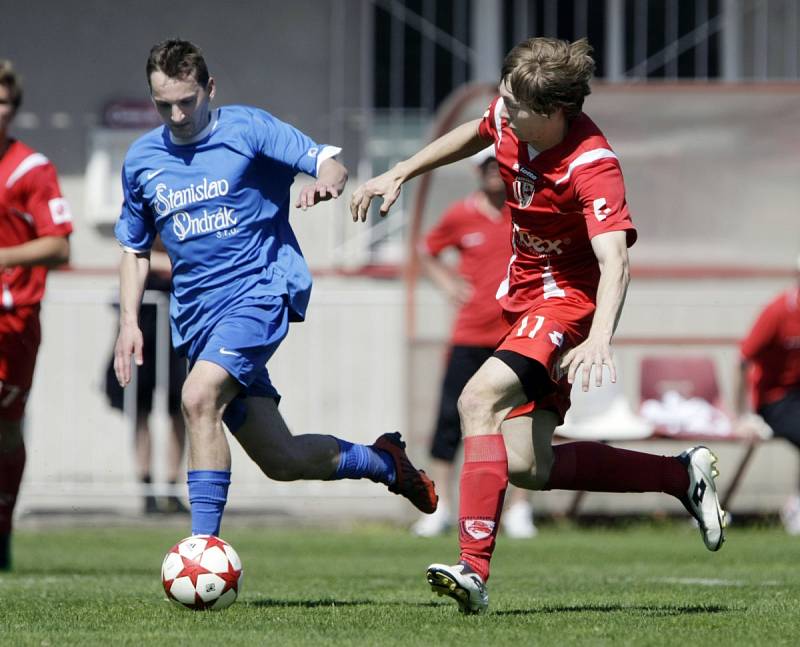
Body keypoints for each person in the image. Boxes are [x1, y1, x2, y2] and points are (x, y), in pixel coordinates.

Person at [351, 36, 726, 614]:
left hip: (567, 301)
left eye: (514, 105)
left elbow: (615, 262)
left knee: (477, 400)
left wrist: (599, 336)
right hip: (523, 298)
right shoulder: (512, 115)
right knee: (528, 465)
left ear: (554, 113)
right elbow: (477, 131)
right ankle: (681, 477)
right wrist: (400, 170)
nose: (502, 110)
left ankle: (473, 570)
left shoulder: (592, 165)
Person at [113, 39, 437, 540]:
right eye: (163, 104)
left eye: (186, 101)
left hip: (260, 293)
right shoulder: (141, 160)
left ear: (209, 88)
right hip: (198, 320)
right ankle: (383, 462)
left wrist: (326, 182)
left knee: (198, 397)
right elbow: (134, 247)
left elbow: (329, 160)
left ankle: (203, 550)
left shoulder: (248, 127)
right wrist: (128, 323)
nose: (176, 115)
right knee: (280, 459)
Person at [411, 148, 536, 539]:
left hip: (515, 336)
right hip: (468, 336)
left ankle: (519, 510)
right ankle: (440, 507)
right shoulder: (460, 214)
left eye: (497, 166)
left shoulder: (525, 212)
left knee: (519, 421)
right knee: (449, 420)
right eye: (485, 167)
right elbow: (426, 250)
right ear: (476, 172)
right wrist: (448, 284)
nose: (493, 174)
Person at [0, 60, 73, 570]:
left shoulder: (31, 169)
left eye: (2, 100)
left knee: (5, 429)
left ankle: (2, 528)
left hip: (13, 320)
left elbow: (59, 246)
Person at [105, 243, 188, 514]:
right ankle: (147, 487)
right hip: (146, 327)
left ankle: (171, 487)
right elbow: (131, 257)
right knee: (140, 409)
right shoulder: (142, 217)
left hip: (178, 327)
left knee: (182, 407)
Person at [734, 257, 800, 534]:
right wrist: (741, 415)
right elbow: (742, 361)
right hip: (774, 400)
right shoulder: (777, 312)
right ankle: (796, 506)